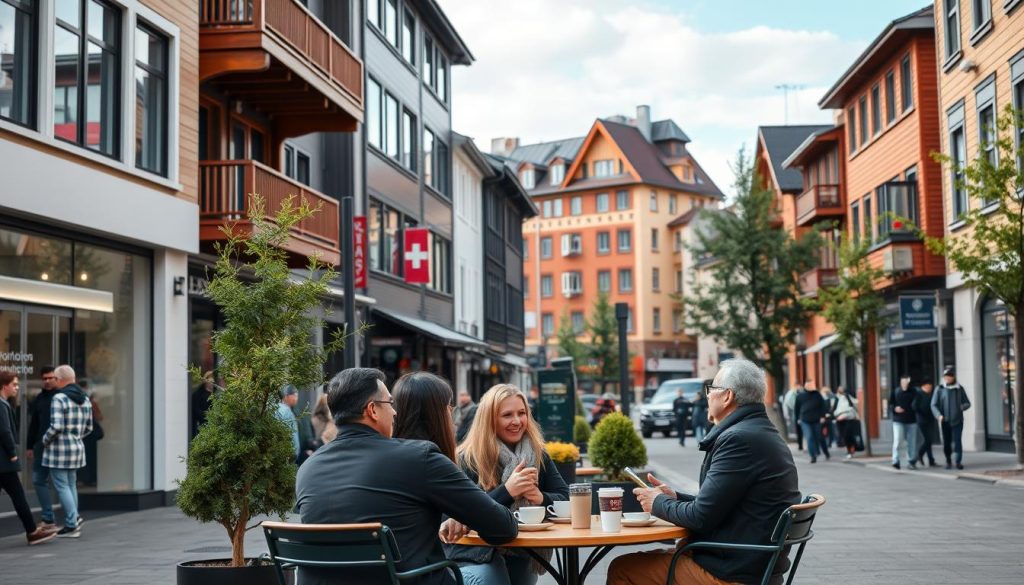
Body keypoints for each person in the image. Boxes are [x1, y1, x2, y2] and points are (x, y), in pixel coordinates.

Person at [295, 368, 518, 585]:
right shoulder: (419, 456)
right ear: (372, 410)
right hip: (405, 580)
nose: (394, 412)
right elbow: (502, 527)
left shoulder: (308, 468)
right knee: (489, 569)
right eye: (389, 403)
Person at [607, 359, 800, 585]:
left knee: (622, 568)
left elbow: (700, 518)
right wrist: (675, 498)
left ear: (727, 396)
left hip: (732, 572)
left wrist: (657, 502)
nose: (707, 396)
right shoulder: (761, 433)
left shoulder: (739, 440)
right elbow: (720, 504)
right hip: (752, 564)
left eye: (712, 389)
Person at [445, 383, 569, 585]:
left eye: (522, 413)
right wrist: (508, 491)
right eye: (507, 415)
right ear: (489, 419)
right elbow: (461, 512)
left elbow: (565, 498)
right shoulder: (467, 458)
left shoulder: (537, 454)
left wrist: (540, 497)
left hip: (522, 552)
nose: (517, 421)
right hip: (477, 554)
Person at [0, 372, 58, 545]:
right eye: (14, 384)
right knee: (18, 495)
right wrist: (12, 454)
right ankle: (32, 532)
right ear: (4, 386)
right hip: (3, 461)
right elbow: (4, 431)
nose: (17, 388)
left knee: (18, 495)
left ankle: (32, 530)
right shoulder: (1, 405)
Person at [42, 365, 92, 538]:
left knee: (62, 486)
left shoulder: (59, 398)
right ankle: (74, 518)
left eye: (54, 378)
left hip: (59, 449)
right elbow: (89, 428)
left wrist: (45, 440)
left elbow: (56, 426)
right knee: (71, 485)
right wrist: (75, 437)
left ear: (60, 379)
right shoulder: (85, 399)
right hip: (77, 448)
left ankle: (71, 524)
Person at [393, 372, 458, 462]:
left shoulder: (386, 456)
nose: (451, 409)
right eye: (447, 405)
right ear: (434, 415)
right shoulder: (435, 463)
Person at [26, 365, 59, 530]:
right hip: (41, 445)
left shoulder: (62, 397)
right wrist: (29, 445)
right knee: (39, 480)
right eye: (44, 378)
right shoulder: (40, 398)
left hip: (59, 445)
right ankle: (48, 518)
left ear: (56, 378)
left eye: (50, 378)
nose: (47, 381)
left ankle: (72, 519)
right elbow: (34, 424)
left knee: (62, 483)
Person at [932, 367, 971, 470]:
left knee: (957, 441)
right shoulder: (939, 389)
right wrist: (938, 415)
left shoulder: (959, 388)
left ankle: (958, 461)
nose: (948, 378)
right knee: (947, 442)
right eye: (946, 376)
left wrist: (962, 407)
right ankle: (948, 461)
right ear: (944, 377)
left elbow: (967, 403)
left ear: (953, 377)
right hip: (945, 421)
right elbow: (933, 404)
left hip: (958, 420)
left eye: (950, 376)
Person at [889, 375, 920, 470]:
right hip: (898, 420)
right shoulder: (896, 391)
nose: (905, 383)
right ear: (900, 382)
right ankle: (895, 461)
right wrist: (895, 408)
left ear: (909, 382)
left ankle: (911, 461)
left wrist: (915, 406)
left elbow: (917, 403)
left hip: (911, 420)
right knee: (898, 440)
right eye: (903, 382)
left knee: (912, 442)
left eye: (906, 382)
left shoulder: (914, 392)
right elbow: (891, 404)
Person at [794, 384, 829, 463]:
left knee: (819, 437)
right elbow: (796, 408)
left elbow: (823, 406)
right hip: (805, 420)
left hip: (817, 420)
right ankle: (813, 456)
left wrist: (823, 416)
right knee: (809, 437)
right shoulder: (800, 396)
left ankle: (826, 452)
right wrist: (797, 419)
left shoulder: (817, 395)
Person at [79, 380, 103, 487]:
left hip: (90, 435)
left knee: (90, 458)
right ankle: (86, 478)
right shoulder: (80, 402)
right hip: (83, 435)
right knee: (85, 458)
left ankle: (90, 478)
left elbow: (99, 417)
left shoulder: (92, 403)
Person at [915, 380, 939, 468]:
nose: (930, 388)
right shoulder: (919, 394)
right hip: (922, 421)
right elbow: (914, 406)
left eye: (931, 387)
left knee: (929, 441)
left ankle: (931, 460)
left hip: (930, 420)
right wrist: (922, 414)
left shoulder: (931, 394)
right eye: (929, 387)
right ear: (924, 386)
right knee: (928, 440)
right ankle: (920, 454)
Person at [831, 386, 859, 459]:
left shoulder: (849, 398)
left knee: (848, 435)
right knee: (843, 436)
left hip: (849, 420)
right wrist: (836, 417)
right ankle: (848, 450)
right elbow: (834, 409)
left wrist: (845, 416)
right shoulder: (836, 399)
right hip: (839, 420)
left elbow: (852, 409)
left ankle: (851, 450)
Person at [275, 385, 300, 463]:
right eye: (295, 395)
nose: (296, 398)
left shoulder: (276, 408)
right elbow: (292, 435)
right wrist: (294, 453)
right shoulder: (286, 411)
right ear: (286, 396)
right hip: (288, 456)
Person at [191, 371, 215, 439]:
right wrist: (205, 417)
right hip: (200, 424)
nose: (212, 384)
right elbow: (196, 410)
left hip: (211, 424)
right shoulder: (198, 394)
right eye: (210, 381)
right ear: (205, 382)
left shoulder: (214, 395)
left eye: (213, 382)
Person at [783, 385, 804, 450]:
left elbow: (787, 403)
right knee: (800, 430)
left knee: (799, 430)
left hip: (798, 415)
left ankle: (800, 445)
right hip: (799, 414)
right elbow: (788, 403)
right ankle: (800, 445)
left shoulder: (795, 394)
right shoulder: (793, 394)